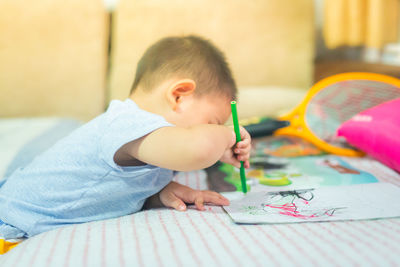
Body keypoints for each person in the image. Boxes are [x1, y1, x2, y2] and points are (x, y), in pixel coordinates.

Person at [0, 35, 251, 241]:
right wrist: (227, 134)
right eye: (212, 122)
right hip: (13, 219)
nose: (213, 131)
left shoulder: (151, 143)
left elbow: (111, 187)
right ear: (179, 96)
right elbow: (197, 149)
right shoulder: (129, 123)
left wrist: (160, 192)